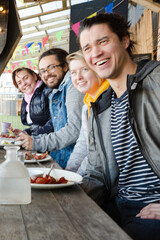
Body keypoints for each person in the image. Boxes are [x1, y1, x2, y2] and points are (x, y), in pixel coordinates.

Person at [79, 13, 160, 239]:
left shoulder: (157, 80)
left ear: (124, 41)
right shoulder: (99, 108)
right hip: (118, 206)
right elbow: (97, 173)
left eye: (102, 42)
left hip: (152, 209)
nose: (95, 54)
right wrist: (69, 196)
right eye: (87, 48)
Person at [18, 48, 84, 168]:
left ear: (65, 67)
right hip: (58, 159)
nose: (46, 74)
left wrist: (35, 142)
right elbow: (56, 127)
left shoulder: (73, 86)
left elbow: (74, 130)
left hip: (73, 163)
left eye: (51, 67)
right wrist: (29, 136)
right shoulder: (56, 91)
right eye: (42, 71)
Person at [64, 51, 109, 176]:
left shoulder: (109, 101)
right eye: (73, 72)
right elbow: (83, 144)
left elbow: (97, 154)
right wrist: (68, 173)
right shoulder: (87, 105)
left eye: (85, 69)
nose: (78, 77)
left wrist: (75, 179)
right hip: (92, 175)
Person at [11, 67, 53, 136]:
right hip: (39, 139)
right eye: (19, 83)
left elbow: (54, 121)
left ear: (34, 76)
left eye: (26, 78)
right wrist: (24, 133)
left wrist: (33, 136)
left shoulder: (47, 90)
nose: (24, 83)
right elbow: (36, 126)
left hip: (49, 141)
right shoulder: (27, 98)